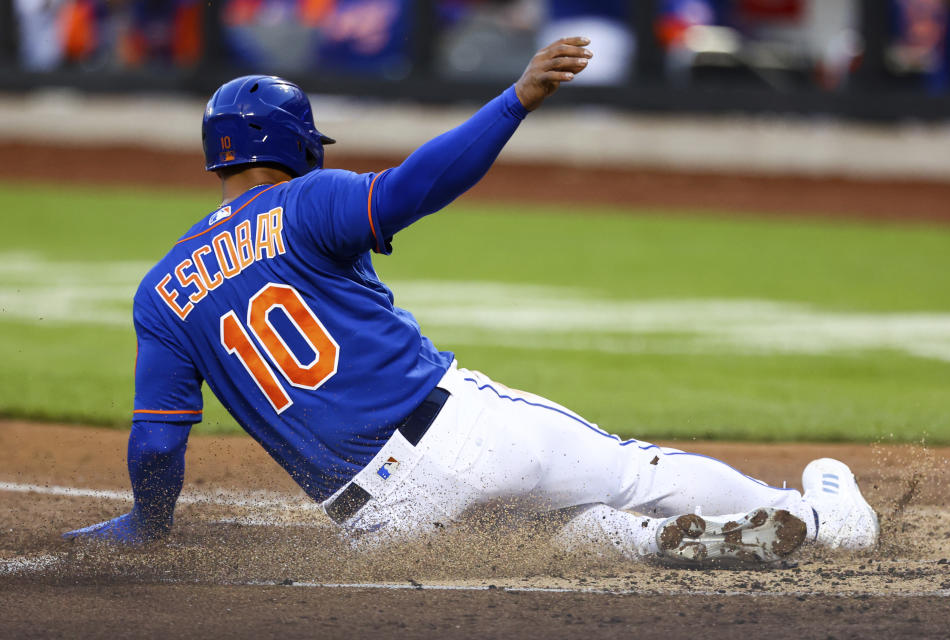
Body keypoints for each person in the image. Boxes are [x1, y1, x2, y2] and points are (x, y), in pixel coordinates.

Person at [63, 37, 879, 566]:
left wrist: (149, 523)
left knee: (551, 537)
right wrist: (514, 99)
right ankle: (810, 519)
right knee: (636, 469)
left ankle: (663, 546)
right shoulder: (305, 203)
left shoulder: (162, 292)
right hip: (458, 432)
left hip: (380, 526)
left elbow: (157, 445)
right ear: (293, 144)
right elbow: (418, 184)